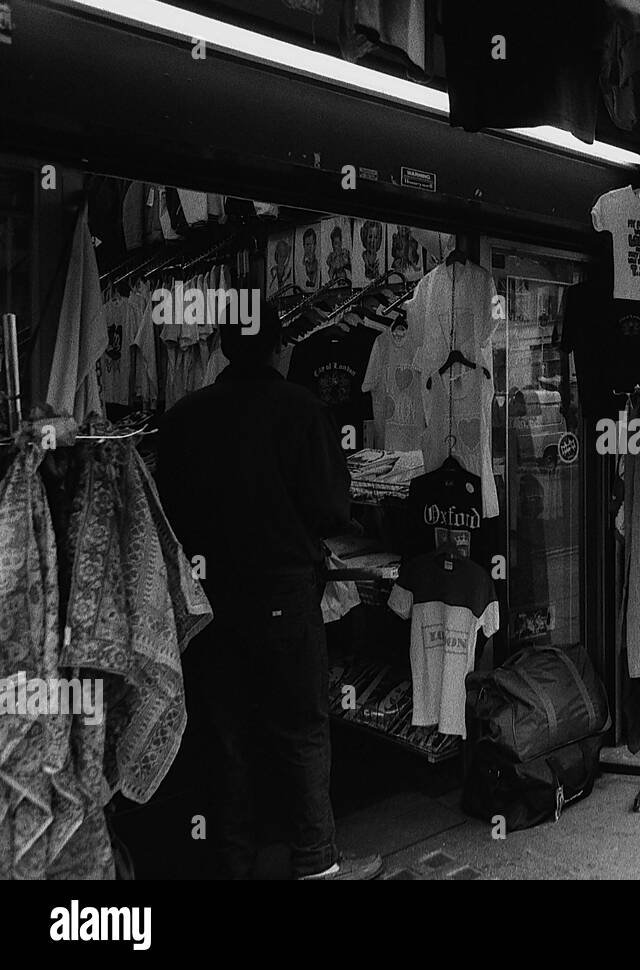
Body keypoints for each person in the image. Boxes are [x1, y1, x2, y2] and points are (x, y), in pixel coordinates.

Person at [156, 301, 382, 881]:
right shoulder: (301, 409)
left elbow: (169, 514)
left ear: (225, 344)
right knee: (301, 725)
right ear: (280, 345)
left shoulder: (184, 418)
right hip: (282, 593)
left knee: (225, 734)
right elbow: (333, 507)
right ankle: (316, 860)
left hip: (209, 599)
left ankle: (232, 862)